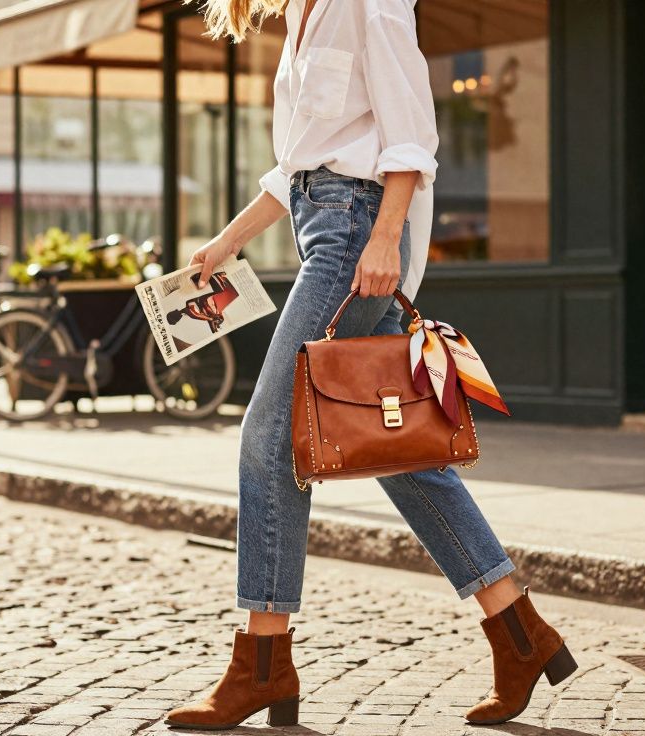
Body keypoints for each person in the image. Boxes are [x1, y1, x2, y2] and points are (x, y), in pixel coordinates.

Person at [165, 0, 575, 729]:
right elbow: (299, 167)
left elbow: (410, 134)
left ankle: (263, 664)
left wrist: (386, 239)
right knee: (396, 448)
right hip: (327, 230)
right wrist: (230, 240)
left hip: (356, 238)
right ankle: (520, 634)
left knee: (270, 438)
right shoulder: (301, 15)